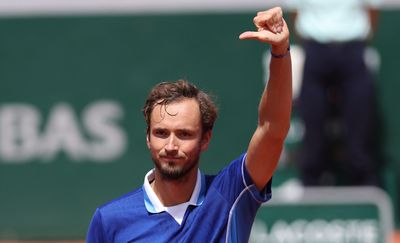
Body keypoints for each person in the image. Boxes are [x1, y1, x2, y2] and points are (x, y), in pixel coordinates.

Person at [86, 6, 291, 243]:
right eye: (161, 133)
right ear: (148, 138)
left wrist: (280, 52)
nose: (170, 145)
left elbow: (272, 128)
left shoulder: (231, 193)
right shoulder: (110, 220)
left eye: (184, 134)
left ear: (205, 138)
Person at [288, 0, 380, 186]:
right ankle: (311, 187)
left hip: (353, 51)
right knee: (313, 126)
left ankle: (365, 190)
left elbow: (372, 9)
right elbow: (294, 10)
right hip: (315, 51)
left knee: (359, 127)